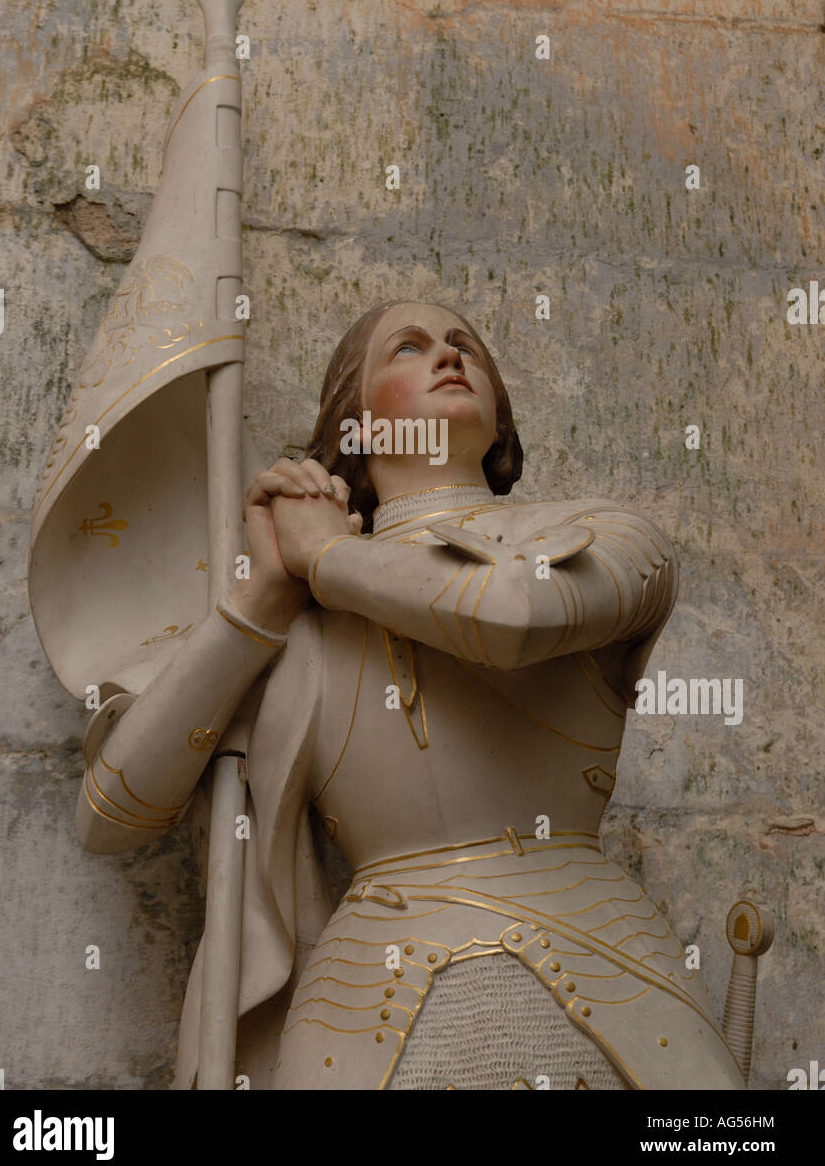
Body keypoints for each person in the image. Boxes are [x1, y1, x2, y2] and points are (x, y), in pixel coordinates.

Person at [77, 299, 745, 1091]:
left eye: (465, 345)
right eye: (409, 347)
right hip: (360, 1018)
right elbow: (112, 814)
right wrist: (256, 607)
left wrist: (328, 557)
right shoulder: (299, 624)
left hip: (606, 976)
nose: (449, 355)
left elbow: (513, 617)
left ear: (501, 417)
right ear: (351, 429)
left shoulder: (609, 537)